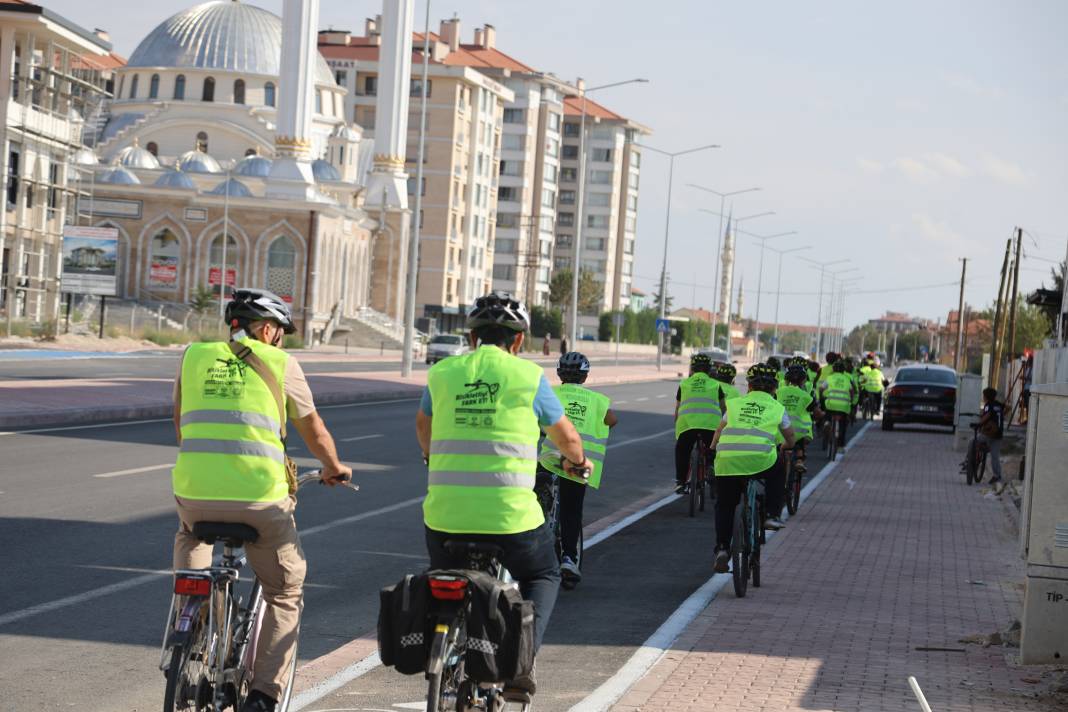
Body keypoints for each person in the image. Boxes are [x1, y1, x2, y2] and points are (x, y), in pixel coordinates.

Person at [171, 288, 353, 712]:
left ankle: (194, 615)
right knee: (284, 591)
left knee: (190, 535)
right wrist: (334, 466)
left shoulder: (193, 356)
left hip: (194, 493)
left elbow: (180, 422)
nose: (281, 341)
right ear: (268, 329)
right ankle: (264, 695)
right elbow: (314, 429)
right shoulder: (281, 363)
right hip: (260, 500)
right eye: (281, 333)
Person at [415, 291, 592, 700]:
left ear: (473, 337)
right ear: (517, 341)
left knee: (444, 573)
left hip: (443, 518)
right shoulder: (529, 377)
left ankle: (448, 640)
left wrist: (431, 456)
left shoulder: (442, 373)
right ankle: (519, 663)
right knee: (543, 575)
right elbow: (565, 437)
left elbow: (424, 426)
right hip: (511, 519)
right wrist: (577, 461)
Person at [537, 352, 618, 588]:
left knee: (534, 487)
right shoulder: (596, 400)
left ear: (560, 374)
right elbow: (612, 420)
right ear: (585, 376)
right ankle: (569, 559)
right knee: (571, 512)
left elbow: (536, 419)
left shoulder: (551, 394)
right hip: (577, 465)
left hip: (549, 459)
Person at [712, 363, 796, 572]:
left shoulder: (734, 404)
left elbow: (718, 432)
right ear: (775, 389)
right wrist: (784, 447)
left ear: (748, 386)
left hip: (728, 460)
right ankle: (771, 515)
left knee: (725, 504)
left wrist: (714, 449)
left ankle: (722, 548)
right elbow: (791, 437)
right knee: (778, 468)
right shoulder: (777, 408)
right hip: (760, 461)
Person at [674, 353, 727, 495]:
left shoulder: (684, 384)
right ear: (709, 370)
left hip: (687, 425)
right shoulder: (716, 385)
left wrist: (677, 426)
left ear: (692, 369)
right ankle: (711, 466)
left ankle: (680, 482)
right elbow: (723, 408)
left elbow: (678, 409)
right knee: (714, 448)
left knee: (682, 450)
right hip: (710, 426)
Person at [778, 364, 820, 475]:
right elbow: (816, 412)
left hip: (779, 431)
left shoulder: (778, 392)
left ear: (786, 379)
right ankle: (799, 460)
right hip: (799, 432)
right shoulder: (805, 396)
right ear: (803, 380)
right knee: (799, 438)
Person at [818, 359, 855, 453]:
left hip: (831, 404)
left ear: (833, 370)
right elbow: (851, 391)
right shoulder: (847, 379)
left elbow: (821, 388)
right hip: (843, 406)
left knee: (827, 411)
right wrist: (850, 399)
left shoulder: (830, 378)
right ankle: (840, 446)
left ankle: (827, 422)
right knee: (843, 425)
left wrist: (822, 396)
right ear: (843, 370)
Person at [977, 387, 1005, 484]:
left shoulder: (988, 405)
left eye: (983, 395)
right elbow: (1007, 408)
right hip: (999, 433)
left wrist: (979, 424)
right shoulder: (999, 405)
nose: (983, 397)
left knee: (973, 440)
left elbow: (987, 415)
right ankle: (997, 476)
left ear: (986, 396)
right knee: (995, 456)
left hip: (990, 433)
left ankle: (969, 460)